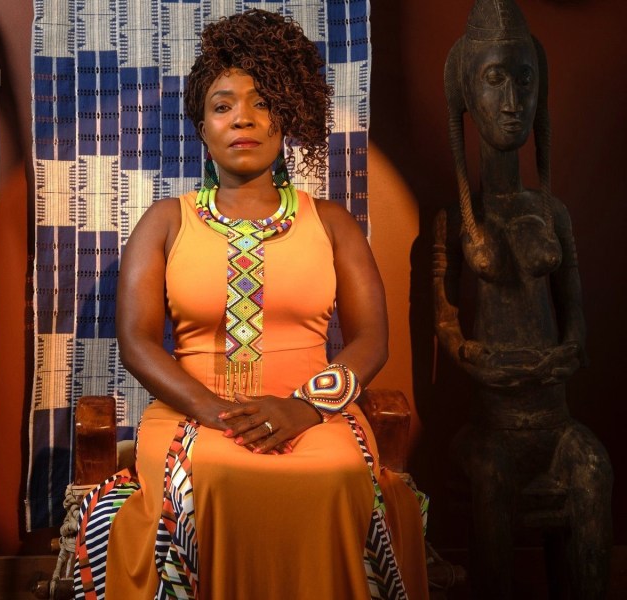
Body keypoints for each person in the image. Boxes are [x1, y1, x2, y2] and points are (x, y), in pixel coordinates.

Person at [74, 9, 428, 599]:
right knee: (208, 478)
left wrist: (305, 409)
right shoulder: (165, 221)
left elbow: (372, 341)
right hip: (194, 412)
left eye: (262, 102)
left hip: (315, 411)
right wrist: (216, 411)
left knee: (338, 473)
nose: (243, 116)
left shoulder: (332, 222)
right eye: (222, 105)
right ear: (202, 127)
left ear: (285, 117)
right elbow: (136, 342)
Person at [433, 0, 611, 597]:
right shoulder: (455, 220)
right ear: (465, 91)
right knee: (491, 481)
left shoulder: (551, 212)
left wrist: (566, 352)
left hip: (555, 423)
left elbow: (576, 319)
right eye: (494, 79)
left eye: (524, 80)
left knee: (592, 468)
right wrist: (471, 355)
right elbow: (443, 322)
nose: (512, 102)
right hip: (491, 431)